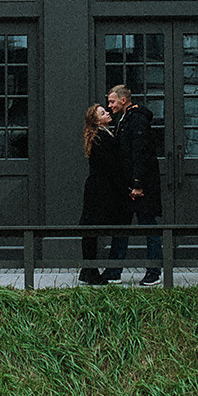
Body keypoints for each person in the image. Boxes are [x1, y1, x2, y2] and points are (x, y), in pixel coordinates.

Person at [106, 84, 165, 283]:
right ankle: (114, 271)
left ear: (123, 100)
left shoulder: (137, 119)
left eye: (112, 101)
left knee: (148, 226)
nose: (109, 106)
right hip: (127, 185)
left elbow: (140, 153)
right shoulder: (125, 118)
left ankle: (154, 272)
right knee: (121, 227)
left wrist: (138, 184)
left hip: (140, 186)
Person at [77, 104, 127, 284]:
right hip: (100, 189)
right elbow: (111, 166)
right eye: (102, 113)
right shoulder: (100, 137)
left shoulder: (103, 134)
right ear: (96, 120)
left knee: (92, 227)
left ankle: (88, 270)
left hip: (100, 187)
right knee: (92, 228)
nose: (107, 112)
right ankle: (90, 271)